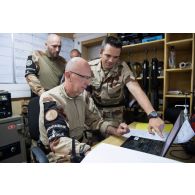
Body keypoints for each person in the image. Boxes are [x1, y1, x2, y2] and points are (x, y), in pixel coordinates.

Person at [39, 57, 129, 162]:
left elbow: (95, 121)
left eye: (89, 77)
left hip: (81, 144)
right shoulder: (50, 98)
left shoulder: (83, 95)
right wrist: (86, 150)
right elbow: (58, 141)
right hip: (59, 152)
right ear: (68, 76)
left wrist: (115, 130)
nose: (89, 83)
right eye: (84, 77)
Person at [88, 36, 164, 137]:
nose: (111, 60)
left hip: (114, 119)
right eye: (108, 55)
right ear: (101, 52)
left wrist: (152, 115)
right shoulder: (89, 67)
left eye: (116, 57)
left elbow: (135, 89)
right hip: (94, 116)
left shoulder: (122, 67)